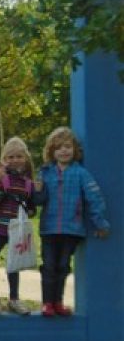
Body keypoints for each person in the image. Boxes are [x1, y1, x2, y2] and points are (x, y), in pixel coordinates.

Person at [32, 127, 110, 317]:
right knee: (49, 266)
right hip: (49, 229)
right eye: (58, 148)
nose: (63, 151)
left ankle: (58, 301)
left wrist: (100, 223)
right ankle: (47, 303)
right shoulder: (46, 172)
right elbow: (38, 201)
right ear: (52, 152)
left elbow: (94, 196)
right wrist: (38, 190)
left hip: (71, 229)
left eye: (67, 147)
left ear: (75, 150)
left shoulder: (81, 173)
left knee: (63, 266)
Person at [0, 137, 36, 316]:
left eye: (19, 156)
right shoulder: (1, 177)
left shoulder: (28, 182)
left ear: (26, 158)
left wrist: (30, 210)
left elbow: (31, 206)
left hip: (17, 232)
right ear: (5, 159)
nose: (15, 160)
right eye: (10, 157)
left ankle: (14, 299)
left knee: (14, 265)